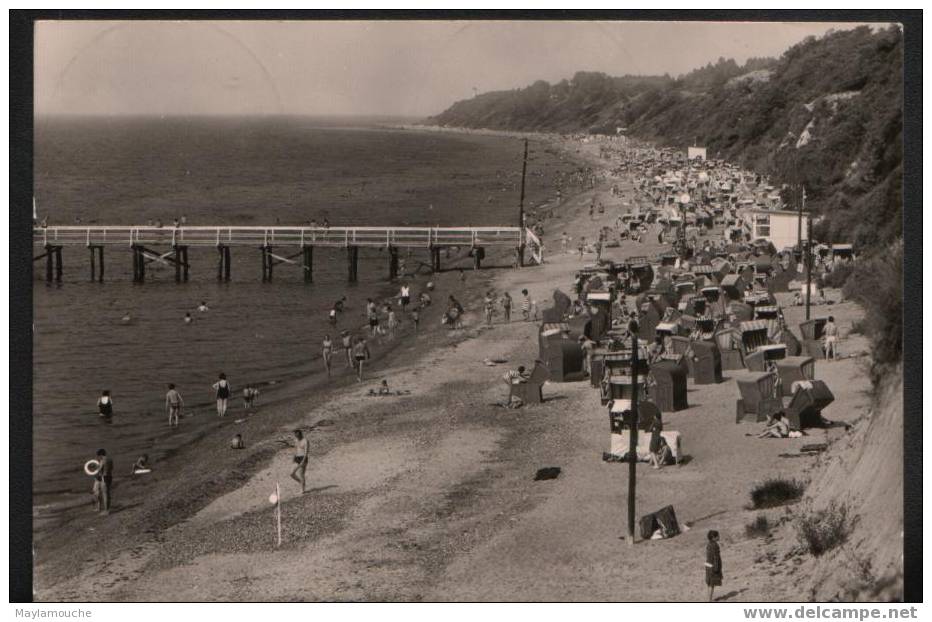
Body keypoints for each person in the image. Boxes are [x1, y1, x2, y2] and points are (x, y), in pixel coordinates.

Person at [705, 530, 723, 601]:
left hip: (708, 564)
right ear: (713, 537)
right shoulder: (715, 545)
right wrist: (716, 568)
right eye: (717, 536)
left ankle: (709, 599)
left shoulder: (709, 544)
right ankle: (709, 600)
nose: (719, 537)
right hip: (712, 566)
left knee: (710, 583)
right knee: (712, 584)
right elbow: (716, 557)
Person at [290, 429, 309, 493]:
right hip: (297, 458)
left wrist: (303, 461)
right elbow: (295, 450)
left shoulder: (305, 441)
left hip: (303, 458)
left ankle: (302, 490)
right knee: (291, 473)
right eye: (295, 435)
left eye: (298, 435)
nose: (297, 436)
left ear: (300, 434)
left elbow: (306, 452)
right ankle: (301, 483)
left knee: (301, 475)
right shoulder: (295, 440)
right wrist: (293, 458)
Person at [94, 449, 113, 513]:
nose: (98, 457)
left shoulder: (103, 460)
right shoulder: (110, 459)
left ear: (100, 455)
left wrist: (97, 467)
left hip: (104, 477)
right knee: (107, 493)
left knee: (105, 494)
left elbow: (99, 469)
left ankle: (106, 511)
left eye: (99, 456)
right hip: (109, 476)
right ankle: (107, 509)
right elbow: (112, 468)